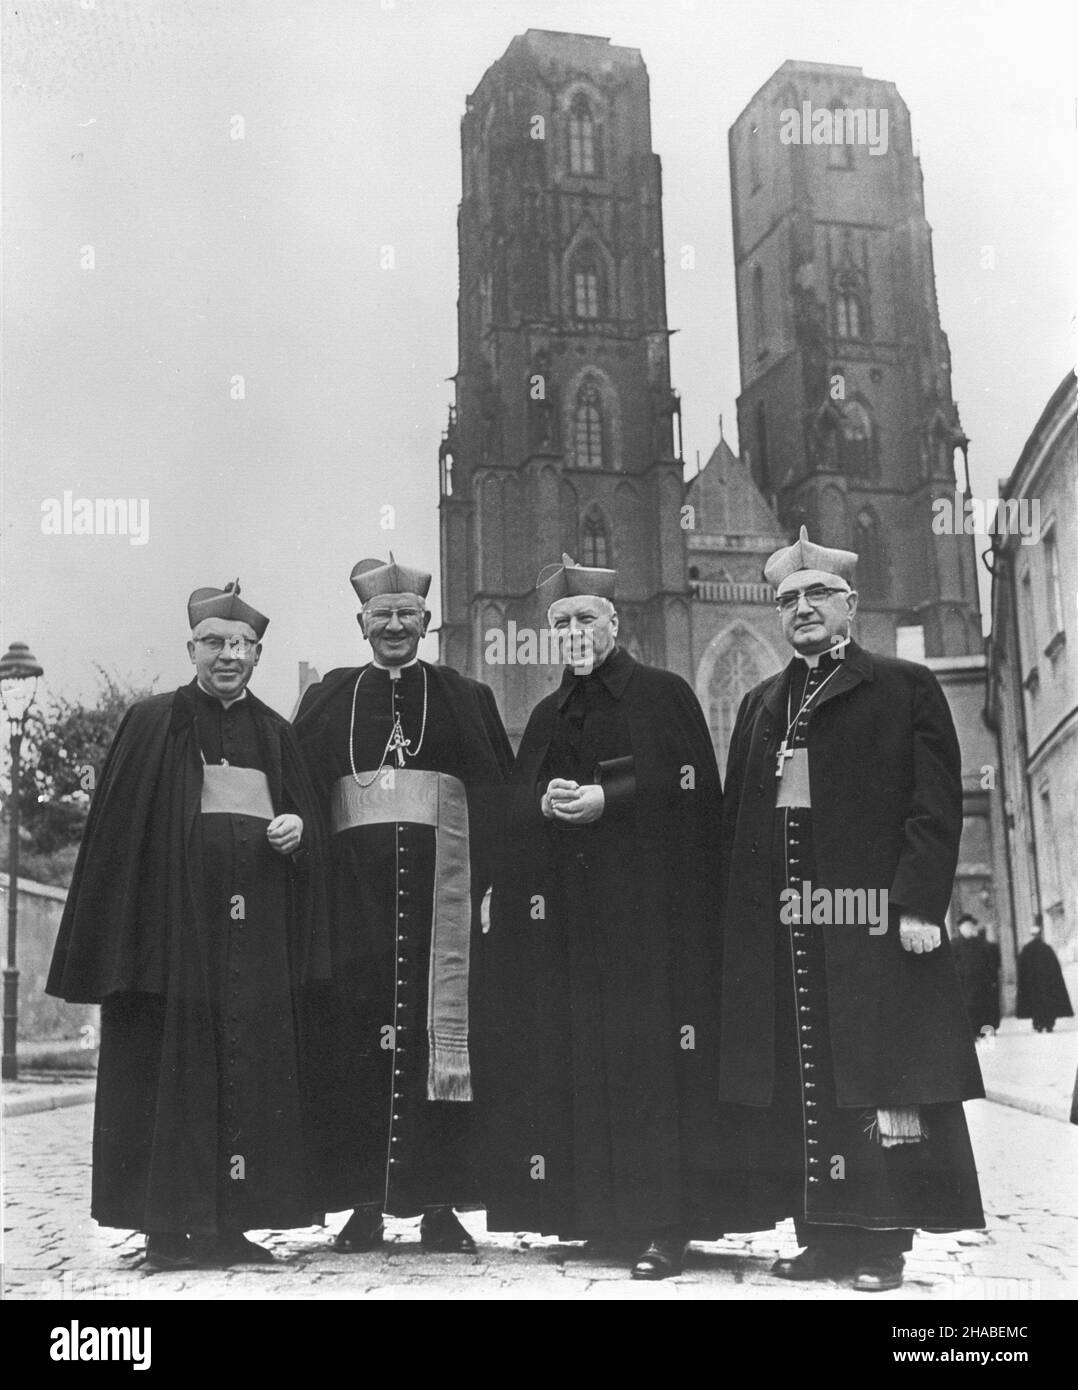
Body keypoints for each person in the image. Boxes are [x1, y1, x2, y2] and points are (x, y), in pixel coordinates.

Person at [716, 528, 984, 1292]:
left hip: (871, 923)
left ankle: (880, 1246)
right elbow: (741, 822)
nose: (802, 611)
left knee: (876, 1081)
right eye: (788, 601)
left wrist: (918, 903)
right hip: (785, 931)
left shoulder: (902, 687)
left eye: (816, 597)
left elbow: (933, 805)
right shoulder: (761, 705)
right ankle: (823, 1236)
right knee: (805, 1082)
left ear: (850, 607)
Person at [47, 582, 331, 1271]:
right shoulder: (150, 723)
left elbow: (304, 825)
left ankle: (232, 1223)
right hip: (171, 940)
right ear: (191, 648)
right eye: (214, 643)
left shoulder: (276, 732)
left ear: (259, 653)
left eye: (241, 645)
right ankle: (166, 1228)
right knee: (170, 1077)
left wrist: (298, 829)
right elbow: (118, 840)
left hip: (255, 942)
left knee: (247, 1076)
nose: (227, 656)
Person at [483, 554, 725, 1280]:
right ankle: (602, 1217)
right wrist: (546, 803)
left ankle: (663, 1224)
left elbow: (689, 786)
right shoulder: (547, 713)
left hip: (648, 926)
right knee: (578, 1061)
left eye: (586, 617)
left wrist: (605, 797)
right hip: (566, 926)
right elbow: (515, 809)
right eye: (561, 622)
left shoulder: (663, 694)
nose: (574, 630)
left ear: (615, 624)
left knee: (649, 1065)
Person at [293, 555, 512, 1255]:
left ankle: (439, 1204)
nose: (394, 626)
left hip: (438, 905)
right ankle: (362, 1202)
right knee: (355, 1046)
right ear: (361, 625)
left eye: (407, 616)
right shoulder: (329, 698)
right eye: (381, 616)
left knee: (435, 1041)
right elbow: (300, 792)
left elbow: (495, 795)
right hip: (352, 904)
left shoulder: (463, 695)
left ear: (425, 623)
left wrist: (490, 891)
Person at [1016, 926, 1074, 1033]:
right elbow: (1055, 969)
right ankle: (1048, 1024)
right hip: (1046, 986)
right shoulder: (1046, 949)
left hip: (1033, 986)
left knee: (1036, 1005)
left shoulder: (1027, 949)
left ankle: (1038, 1024)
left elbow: (1022, 969)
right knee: (1047, 1005)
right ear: (1040, 934)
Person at [952, 914, 998, 1038]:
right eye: (967, 926)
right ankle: (969, 1033)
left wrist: (992, 978)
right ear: (961, 928)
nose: (970, 928)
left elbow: (990, 961)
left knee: (983, 1008)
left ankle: (983, 1031)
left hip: (982, 984)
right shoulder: (954, 944)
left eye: (971, 926)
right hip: (964, 984)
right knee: (968, 1008)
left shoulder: (980, 943)